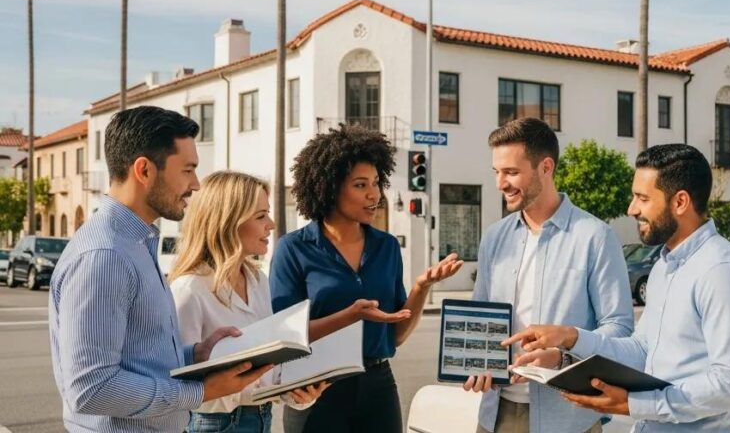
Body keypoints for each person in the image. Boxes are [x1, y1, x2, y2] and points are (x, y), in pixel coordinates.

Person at [507, 144, 730, 432]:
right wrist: (570, 338)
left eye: (642, 198)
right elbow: (642, 350)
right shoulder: (664, 267)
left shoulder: (723, 272)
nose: (632, 209)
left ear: (680, 202)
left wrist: (636, 404)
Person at [48, 106, 270, 432]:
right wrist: (202, 391)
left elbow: (139, 359)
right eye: (187, 170)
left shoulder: (135, 244)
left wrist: (195, 354)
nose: (196, 185)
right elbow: (90, 387)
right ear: (145, 170)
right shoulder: (106, 255)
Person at [270, 124, 463, 433]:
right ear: (330, 187)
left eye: (376, 182)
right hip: (316, 386)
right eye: (361, 185)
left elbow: (395, 335)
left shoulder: (386, 246)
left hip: (377, 385)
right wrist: (349, 316)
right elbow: (285, 338)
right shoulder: (293, 249)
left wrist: (420, 287)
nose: (374, 194)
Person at [463, 117, 634, 433]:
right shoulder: (493, 237)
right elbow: (480, 320)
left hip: (569, 417)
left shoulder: (595, 237)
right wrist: (475, 362)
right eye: (497, 172)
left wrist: (561, 355)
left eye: (511, 172)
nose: (501, 183)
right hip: (496, 415)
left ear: (545, 167)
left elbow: (620, 330)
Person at [170, 171, 329, 433]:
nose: (272, 224)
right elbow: (177, 389)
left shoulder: (258, 282)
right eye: (260, 216)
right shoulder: (189, 291)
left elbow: (269, 370)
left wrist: (296, 393)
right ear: (228, 222)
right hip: (213, 426)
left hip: (261, 419)